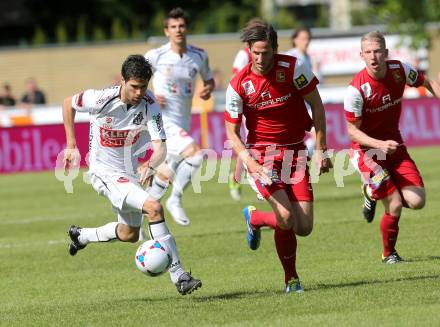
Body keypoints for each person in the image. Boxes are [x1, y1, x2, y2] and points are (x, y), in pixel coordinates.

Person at [62, 54, 202, 295]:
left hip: (129, 172)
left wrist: (150, 164)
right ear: (123, 81)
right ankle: (179, 275)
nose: (139, 92)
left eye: (143, 87)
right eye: (134, 86)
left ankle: (81, 236)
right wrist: (71, 144)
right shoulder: (100, 98)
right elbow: (68, 103)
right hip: (103, 171)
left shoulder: (150, 105)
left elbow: (161, 147)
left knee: (129, 233)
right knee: (154, 208)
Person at [224, 19, 332, 293]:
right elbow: (232, 133)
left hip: (296, 153)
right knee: (285, 218)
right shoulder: (238, 84)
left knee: (304, 227)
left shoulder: (294, 68)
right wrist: (248, 161)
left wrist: (321, 149)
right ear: (248, 49)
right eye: (256, 53)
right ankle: (291, 279)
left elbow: (317, 106)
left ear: (275, 48)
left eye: (266, 52)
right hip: (263, 157)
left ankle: (255, 218)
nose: (261, 58)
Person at [344, 31, 440, 263]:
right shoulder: (356, 89)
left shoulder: (399, 71)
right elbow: (351, 131)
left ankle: (372, 191)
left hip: (394, 146)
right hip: (366, 152)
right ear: (361, 55)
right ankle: (390, 254)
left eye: (377, 51)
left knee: (417, 202)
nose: (373, 56)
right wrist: (378, 144)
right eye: (368, 52)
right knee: (394, 202)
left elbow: (427, 82)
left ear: (386, 53)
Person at [144, 7, 215, 226]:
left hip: (183, 121)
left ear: (187, 28)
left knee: (164, 174)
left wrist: (208, 89)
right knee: (195, 154)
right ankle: (175, 200)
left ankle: (137, 220)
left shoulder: (199, 56)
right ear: (166, 31)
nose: (178, 30)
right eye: (173, 27)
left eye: (181, 26)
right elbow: (132, 83)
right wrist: (150, 95)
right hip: (161, 121)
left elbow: (209, 79)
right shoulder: (155, 56)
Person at [284, 27, 322, 158]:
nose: (306, 42)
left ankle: (303, 157)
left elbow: (314, 82)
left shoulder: (308, 58)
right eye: (303, 38)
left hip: (305, 105)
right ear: (295, 40)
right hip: (291, 105)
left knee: (317, 132)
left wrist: (317, 69)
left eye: (308, 39)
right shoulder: (290, 56)